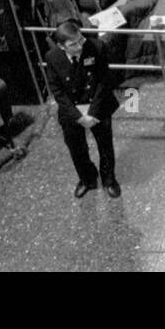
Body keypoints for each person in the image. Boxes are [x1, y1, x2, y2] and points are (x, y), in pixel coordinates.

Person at [45, 21, 120, 198]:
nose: (79, 46)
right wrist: (78, 117)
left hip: (97, 104)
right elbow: (57, 91)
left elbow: (104, 80)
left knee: (105, 145)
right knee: (76, 148)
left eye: (81, 40)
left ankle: (109, 179)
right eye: (73, 44)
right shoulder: (53, 57)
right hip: (72, 110)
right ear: (61, 46)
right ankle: (87, 179)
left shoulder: (96, 47)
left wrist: (93, 113)